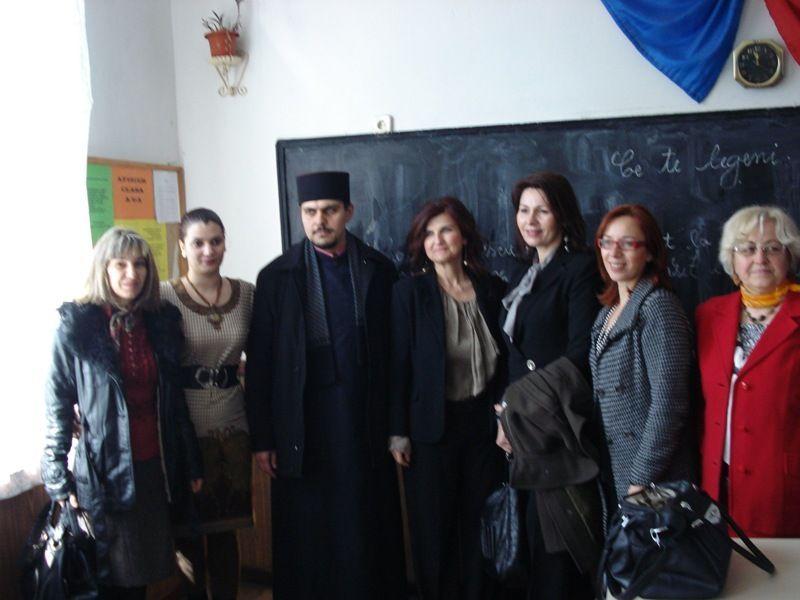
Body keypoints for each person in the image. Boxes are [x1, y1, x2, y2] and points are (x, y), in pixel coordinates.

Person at [245, 171, 406, 599]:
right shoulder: (277, 277)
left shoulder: (379, 270)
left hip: (362, 420)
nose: (320, 221)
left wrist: (396, 426)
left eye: (330, 210)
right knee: (308, 534)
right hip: (302, 426)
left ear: (348, 212)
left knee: (365, 527)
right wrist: (263, 438)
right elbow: (260, 364)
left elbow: (395, 357)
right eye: (310, 211)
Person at [41, 228, 203, 600]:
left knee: (142, 574)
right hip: (106, 472)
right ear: (104, 268)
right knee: (112, 578)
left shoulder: (160, 322)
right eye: (121, 264)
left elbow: (175, 402)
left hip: (155, 469)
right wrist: (57, 477)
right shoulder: (77, 327)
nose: (132, 273)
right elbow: (57, 405)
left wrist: (191, 461)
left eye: (140, 264)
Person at [389, 197, 506, 600]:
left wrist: (505, 417)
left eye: (446, 230)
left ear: (464, 236)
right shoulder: (409, 293)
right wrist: (397, 431)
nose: (437, 240)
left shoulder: (492, 290)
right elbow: (398, 365)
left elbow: (507, 360)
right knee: (434, 532)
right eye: (428, 233)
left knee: (480, 527)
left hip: (484, 428)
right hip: (430, 430)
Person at [495, 171, 601, 599]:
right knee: (533, 550)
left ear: (563, 215)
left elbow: (578, 353)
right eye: (524, 210)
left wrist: (518, 409)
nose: (531, 220)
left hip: (557, 426)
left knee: (559, 544)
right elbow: (513, 355)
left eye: (542, 210)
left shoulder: (579, 269)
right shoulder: (524, 272)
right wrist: (505, 415)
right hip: (524, 428)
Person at [161, 208, 255, 599]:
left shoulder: (247, 293)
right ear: (183, 247)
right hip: (185, 426)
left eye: (215, 241)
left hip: (233, 423)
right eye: (198, 242)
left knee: (225, 531)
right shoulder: (163, 296)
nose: (208, 250)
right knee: (188, 532)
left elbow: (261, 356)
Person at [696, 205, 800, 536]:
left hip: (782, 489)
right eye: (747, 248)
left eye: (772, 248)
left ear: (789, 256)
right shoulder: (708, 316)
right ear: (732, 259)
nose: (760, 258)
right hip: (716, 485)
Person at [590, 204, 694, 504]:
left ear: (649, 253)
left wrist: (641, 477)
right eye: (607, 242)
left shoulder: (658, 307)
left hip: (652, 477)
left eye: (628, 244)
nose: (614, 253)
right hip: (616, 465)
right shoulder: (607, 312)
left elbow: (669, 403)